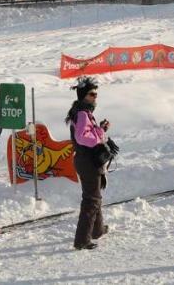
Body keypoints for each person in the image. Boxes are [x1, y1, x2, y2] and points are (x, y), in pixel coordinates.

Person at [66, 76, 114, 250]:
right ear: (83, 96)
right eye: (92, 94)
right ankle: (82, 240)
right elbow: (82, 137)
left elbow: (87, 133)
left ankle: (97, 230)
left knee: (94, 195)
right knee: (91, 199)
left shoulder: (83, 112)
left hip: (85, 160)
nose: (95, 97)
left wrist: (101, 129)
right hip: (87, 160)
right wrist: (98, 137)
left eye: (96, 94)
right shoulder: (82, 113)